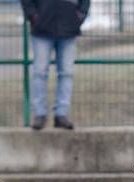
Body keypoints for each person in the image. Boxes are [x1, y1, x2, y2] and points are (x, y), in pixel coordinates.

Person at [20, 0, 89, 130]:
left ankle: (61, 115)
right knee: (39, 73)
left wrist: (80, 15)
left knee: (66, 73)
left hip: (69, 29)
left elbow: (85, 3)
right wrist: (34, 16)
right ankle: (39, 114)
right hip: (42, 29)